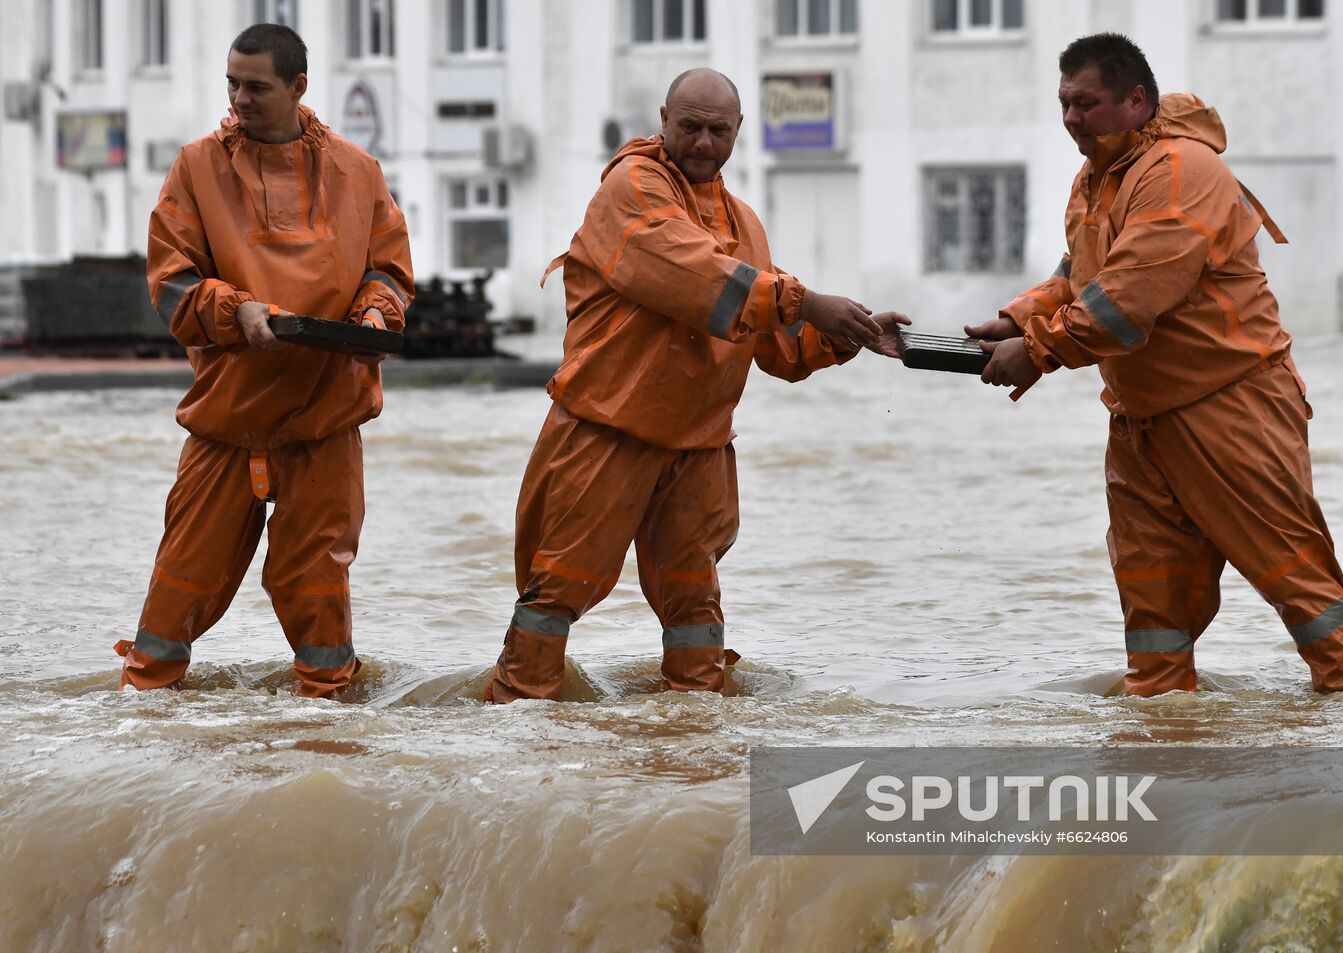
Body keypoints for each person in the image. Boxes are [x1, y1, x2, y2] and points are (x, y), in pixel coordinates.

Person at [967, 33, 1343, 699]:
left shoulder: (1179, 172)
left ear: (1136, 101)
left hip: (1231, 408)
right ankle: (1162, 751)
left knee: (1302, 593)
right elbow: (1080, 271)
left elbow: (1126, 303)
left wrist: (1039, 351)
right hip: (1142, 423)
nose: (1071, 119)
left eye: (1087, 103)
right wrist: (1022, 315)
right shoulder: (1097, 178)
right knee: (1154, 616)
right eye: (1063, 104)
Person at [486, 68, 909, 702]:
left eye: (718, 129)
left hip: (699, 446)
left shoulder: (742, 222)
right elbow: (692, 272)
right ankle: (522, 724)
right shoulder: (630, 189)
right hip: (607, 429)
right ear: (663, 120)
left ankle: (696, 733)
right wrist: (806, 301)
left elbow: (777, 344)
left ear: (739, 131)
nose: (704, 142)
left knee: (694, 599)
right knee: (557, 590)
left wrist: (845, 333)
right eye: (689, 126)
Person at [114, 23, 413, 698]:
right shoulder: (197, 167)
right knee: (179, 586)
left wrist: (375, 315)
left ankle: (328, 727)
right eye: (232, 84)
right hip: (228, 416)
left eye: (256, 86)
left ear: (298, 86)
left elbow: (391, 272)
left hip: (327, 416)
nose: (239, 99)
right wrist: (234, 312)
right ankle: (142, 718)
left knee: (319, 588)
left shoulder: (358, 171)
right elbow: (171, 282)